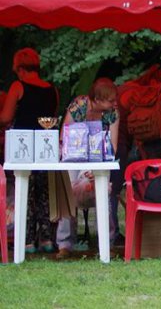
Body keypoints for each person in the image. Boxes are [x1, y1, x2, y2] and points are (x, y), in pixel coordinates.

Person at [0, 48, 60, 253]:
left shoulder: (18, 86)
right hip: (46, 146)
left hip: (22, 147)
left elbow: (6, 117)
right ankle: (46, 239)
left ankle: (26, 240)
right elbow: (52, 115)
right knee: (44, 193)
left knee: (25, 191)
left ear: (19, 68)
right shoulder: (52, 89)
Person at [56, 78, 120, 258]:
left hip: (99, 159)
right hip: (72, 159)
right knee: (66, 187)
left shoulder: (113, 113)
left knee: (103, 187)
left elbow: (112, 146)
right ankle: (65, 245)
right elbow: (64, 138)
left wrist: (98, 167)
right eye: (110, 100)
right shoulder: (78, 106)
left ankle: (106, 244)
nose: (115, 103)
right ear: (97, 100)